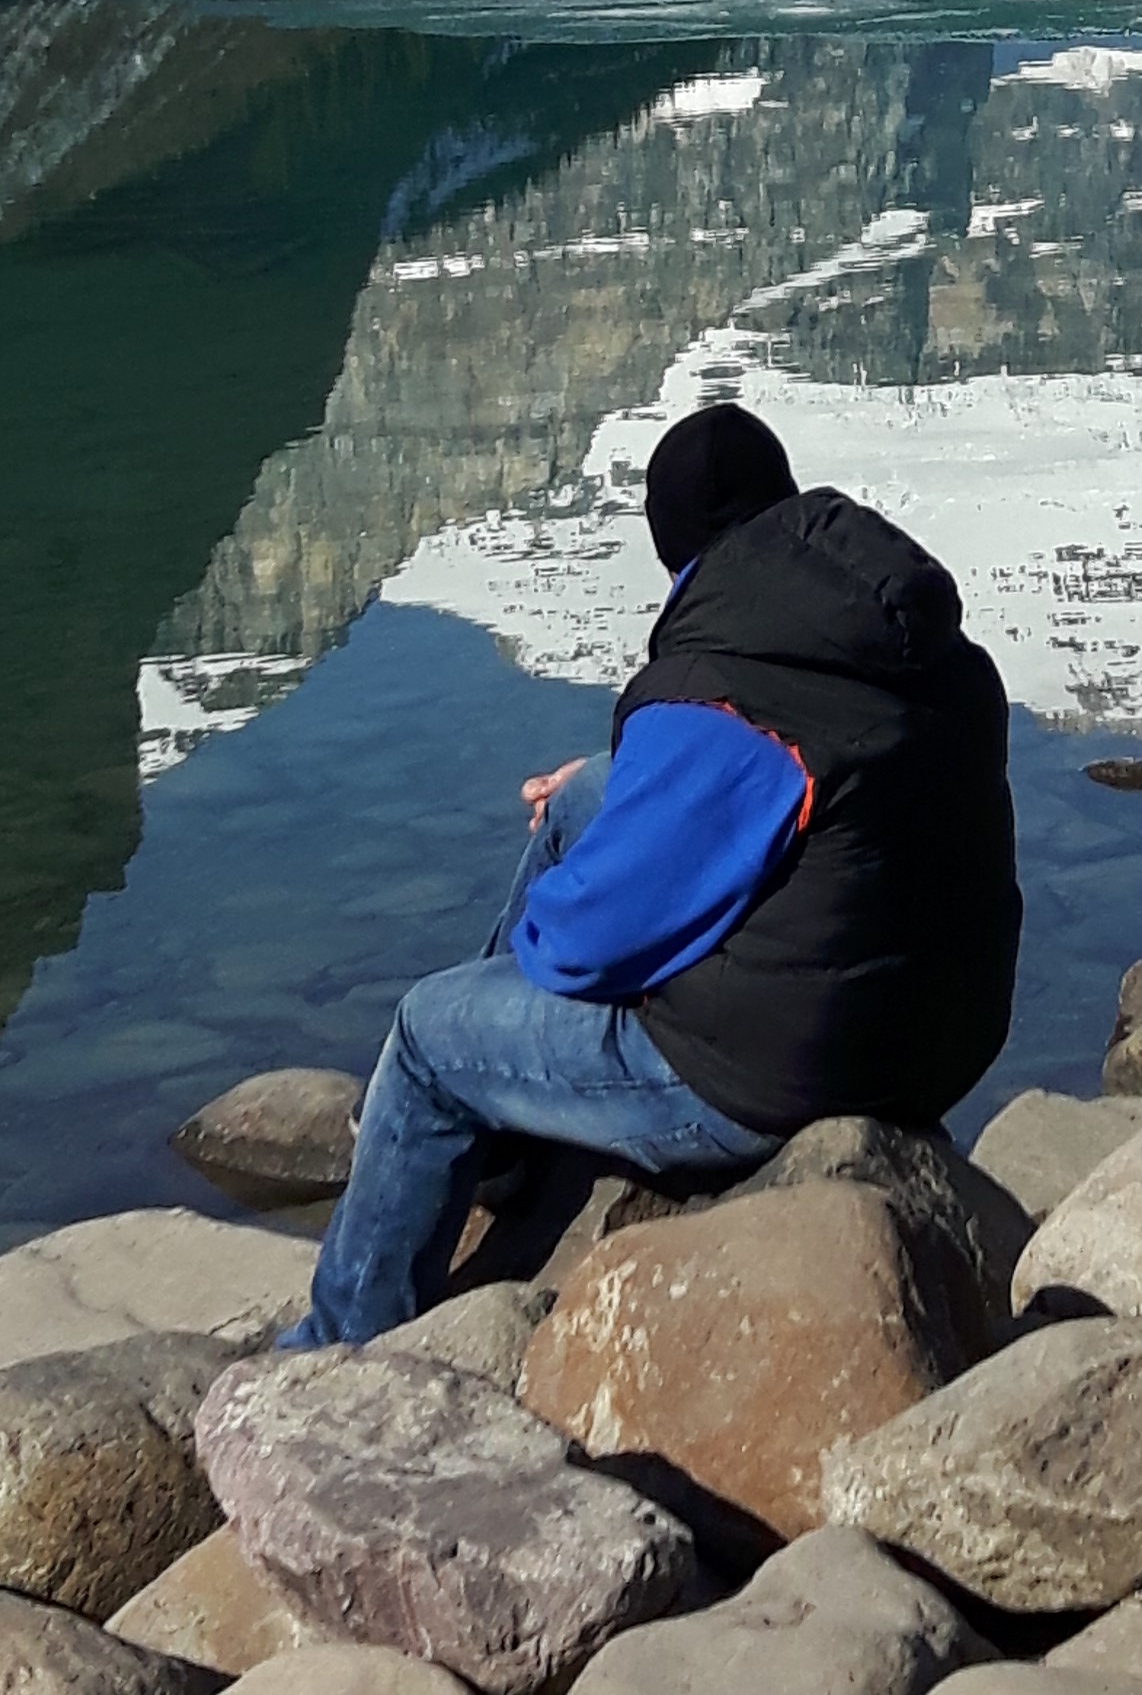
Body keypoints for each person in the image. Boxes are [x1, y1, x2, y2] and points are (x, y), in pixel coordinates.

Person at [287, 402, 1020, 1344]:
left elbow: (584, 947)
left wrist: (554, 918)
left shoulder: (731, 693)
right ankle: (504, 1140)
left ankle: (339, 1341)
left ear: (673, 552)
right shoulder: (902, 635)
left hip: (782, 1074)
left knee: (432, 1037)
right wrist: (607, 799)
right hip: (946, 1035)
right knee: (589, 795)